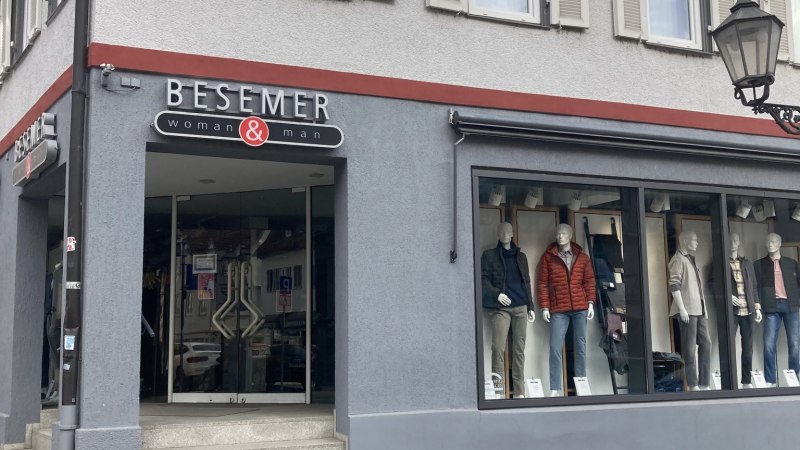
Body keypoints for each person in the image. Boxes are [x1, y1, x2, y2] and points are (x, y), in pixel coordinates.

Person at [537, 223, 595, 397]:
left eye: (563, 233)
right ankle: (555, 387)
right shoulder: (549, 257)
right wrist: (545, 306)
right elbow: (543, 283)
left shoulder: (582, 257)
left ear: (570, 235)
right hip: (558, 308)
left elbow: (589, 281)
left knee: (580, 346)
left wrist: (590, 303)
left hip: (580, 307)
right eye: (558, 233)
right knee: (555, 346)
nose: (560, 236)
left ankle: (581, 384)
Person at [481, 222, 535, 399]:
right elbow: (483, 280)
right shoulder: (489, 255)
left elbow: (526, 281)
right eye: (501, 231)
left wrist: (531, 306)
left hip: (521, 306)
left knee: (519, 350)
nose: (505, 234)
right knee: (498, 348)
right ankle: (498, 392)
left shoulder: (521, 256)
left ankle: (519, 393)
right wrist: (496, 294)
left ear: (513, 233)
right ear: (497, 234)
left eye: (508, 231)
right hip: (501, 308)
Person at [755, 233, 800, 387]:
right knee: (768, 344)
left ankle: (794, 378)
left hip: (790, 306)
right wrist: (758, 304)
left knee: (794, 343)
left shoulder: (791, 263)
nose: (770, 244)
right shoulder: (759, 265)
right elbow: (755, 287)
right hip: (771, 307)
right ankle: (770, 380)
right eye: (768, 241)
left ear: (780, 243)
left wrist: (797, 301)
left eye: (773, 241)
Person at [668, 231, 712, 391]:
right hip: (687, 310)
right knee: (689, 348)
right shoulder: (678, 260)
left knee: (706, 344)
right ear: (685, 241)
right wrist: (682, 309)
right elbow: (674, 284)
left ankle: (704, 382)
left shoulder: (690, 259)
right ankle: (693, 384)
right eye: (694, 240)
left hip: (699, 309)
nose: (697, 243)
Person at [728, 233, 762, 388]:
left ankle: (746, 382)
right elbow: (713, 283)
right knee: (728, 347)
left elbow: (753, 286)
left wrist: (757, 307)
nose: (732, 243)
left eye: (735, 240)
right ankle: (730, 382)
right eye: (730, 240)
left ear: (739, 243)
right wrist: (727, 296)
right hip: (731, 313)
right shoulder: (721, 263)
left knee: (748, 349)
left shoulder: (747, 263)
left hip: (748, 311)